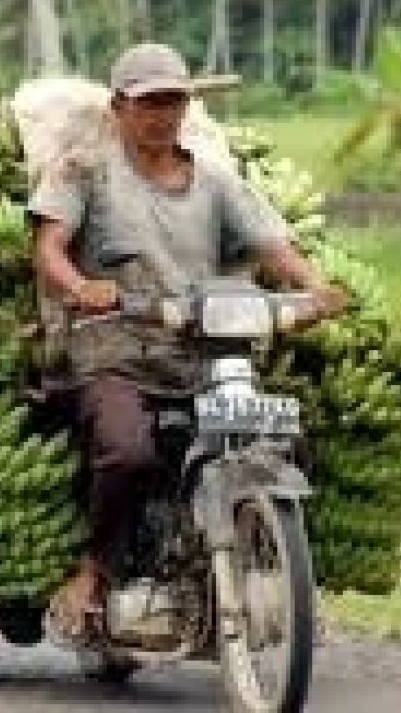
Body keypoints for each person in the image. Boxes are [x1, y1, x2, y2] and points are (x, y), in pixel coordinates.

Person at [26, 42, 350, 640]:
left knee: (288, 437)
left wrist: (314, 290)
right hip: (113, 352)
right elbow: (48, 248)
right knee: (128, 451)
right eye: (149, 102)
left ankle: (278, 571)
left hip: (206, 354)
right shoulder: (83, 170)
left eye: (173, 100)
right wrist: (81, 285)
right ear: (120, 106)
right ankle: (95, 570)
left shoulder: (216, 181)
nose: (162, 113)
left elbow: (273, 245)